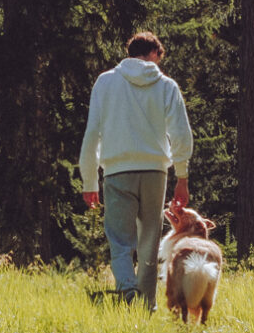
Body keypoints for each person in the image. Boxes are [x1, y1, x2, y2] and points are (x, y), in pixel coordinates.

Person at [78, 30, 193, 308]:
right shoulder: (166, 85)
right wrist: (182, 177)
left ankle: (127, 289)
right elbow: (181, 134)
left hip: (117, 171)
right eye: (159, 59)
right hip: (155, 172)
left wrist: (90, 181)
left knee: (119, 240)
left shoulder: (105, 83)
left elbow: (92, 134)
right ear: (153, 54)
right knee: (149, 241)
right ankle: (147, 306)